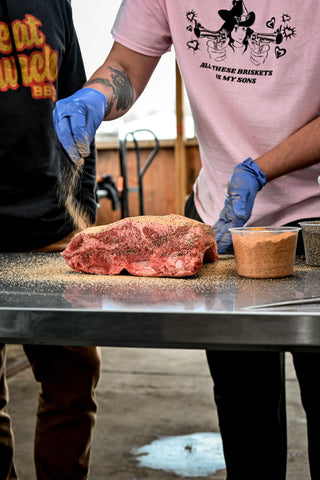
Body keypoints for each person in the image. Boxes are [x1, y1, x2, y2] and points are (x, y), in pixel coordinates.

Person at [53, 0, 320, 478]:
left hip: (316, 222)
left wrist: (264, 167)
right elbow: (126, 65)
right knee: (245, 416)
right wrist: (96, 94)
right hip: (223, 221)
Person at [0, 1, 101, 479]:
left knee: (71, 389)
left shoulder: (53, 3)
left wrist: (81, 214)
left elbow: (79, 98)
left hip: (52, 232)